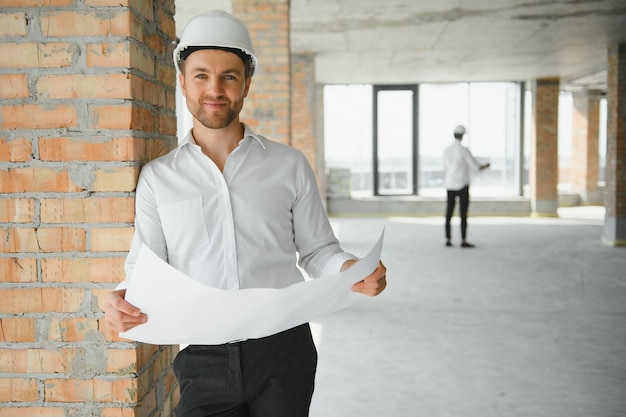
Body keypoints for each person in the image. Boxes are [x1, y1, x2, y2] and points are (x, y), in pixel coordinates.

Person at [102, 10, 387, 417]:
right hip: (202, 356)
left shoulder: (288, 165)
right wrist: (124, 297)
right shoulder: (158, 179)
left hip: (284, 349)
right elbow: (145, 266)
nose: (214, 89)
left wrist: (351, 269)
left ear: (246, 84)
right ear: (182, 82)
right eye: (201, 75)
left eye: (229, 76)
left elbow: (318, 249)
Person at [442, 125, 490, 248]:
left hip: (450, 184)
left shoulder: (447, 150)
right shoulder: (464, 150)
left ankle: (448, 239)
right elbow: (475, 166)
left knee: (449, 213)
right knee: (463, 214)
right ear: (462, 136)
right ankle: (463, 240)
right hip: (462, 184)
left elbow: (445, 167)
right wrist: (485, 166)